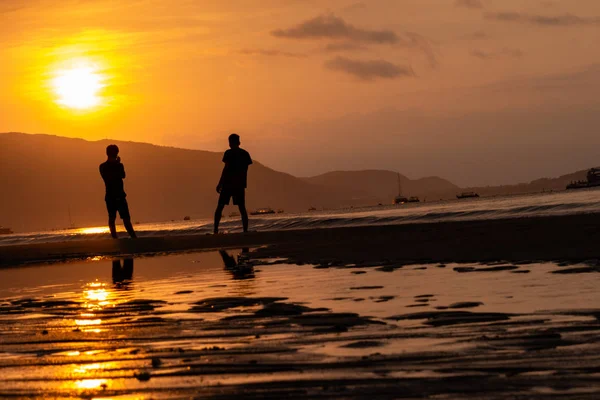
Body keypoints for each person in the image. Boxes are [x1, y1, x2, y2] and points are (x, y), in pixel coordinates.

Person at [214, 133, 252, 234]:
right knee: (242, 207)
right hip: (239, 184)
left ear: (230, 143)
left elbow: (225, 169)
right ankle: (245, 230)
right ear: (239, 142)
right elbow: (245, 170)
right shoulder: (245, 154)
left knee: (220, 206)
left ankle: (215, 230)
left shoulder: (228, 153)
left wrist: (220, 183)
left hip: (228, 184)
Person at [99, 144, 137, 239]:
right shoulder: (104, 166)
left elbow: (123, 175)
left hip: (118, 195)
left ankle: (132, 238)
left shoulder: (118, 165)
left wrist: (117, 164)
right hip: (113, 196)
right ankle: (117, 239)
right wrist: (116, 164)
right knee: (113, 218)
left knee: (124, 218)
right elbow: (109, 177)